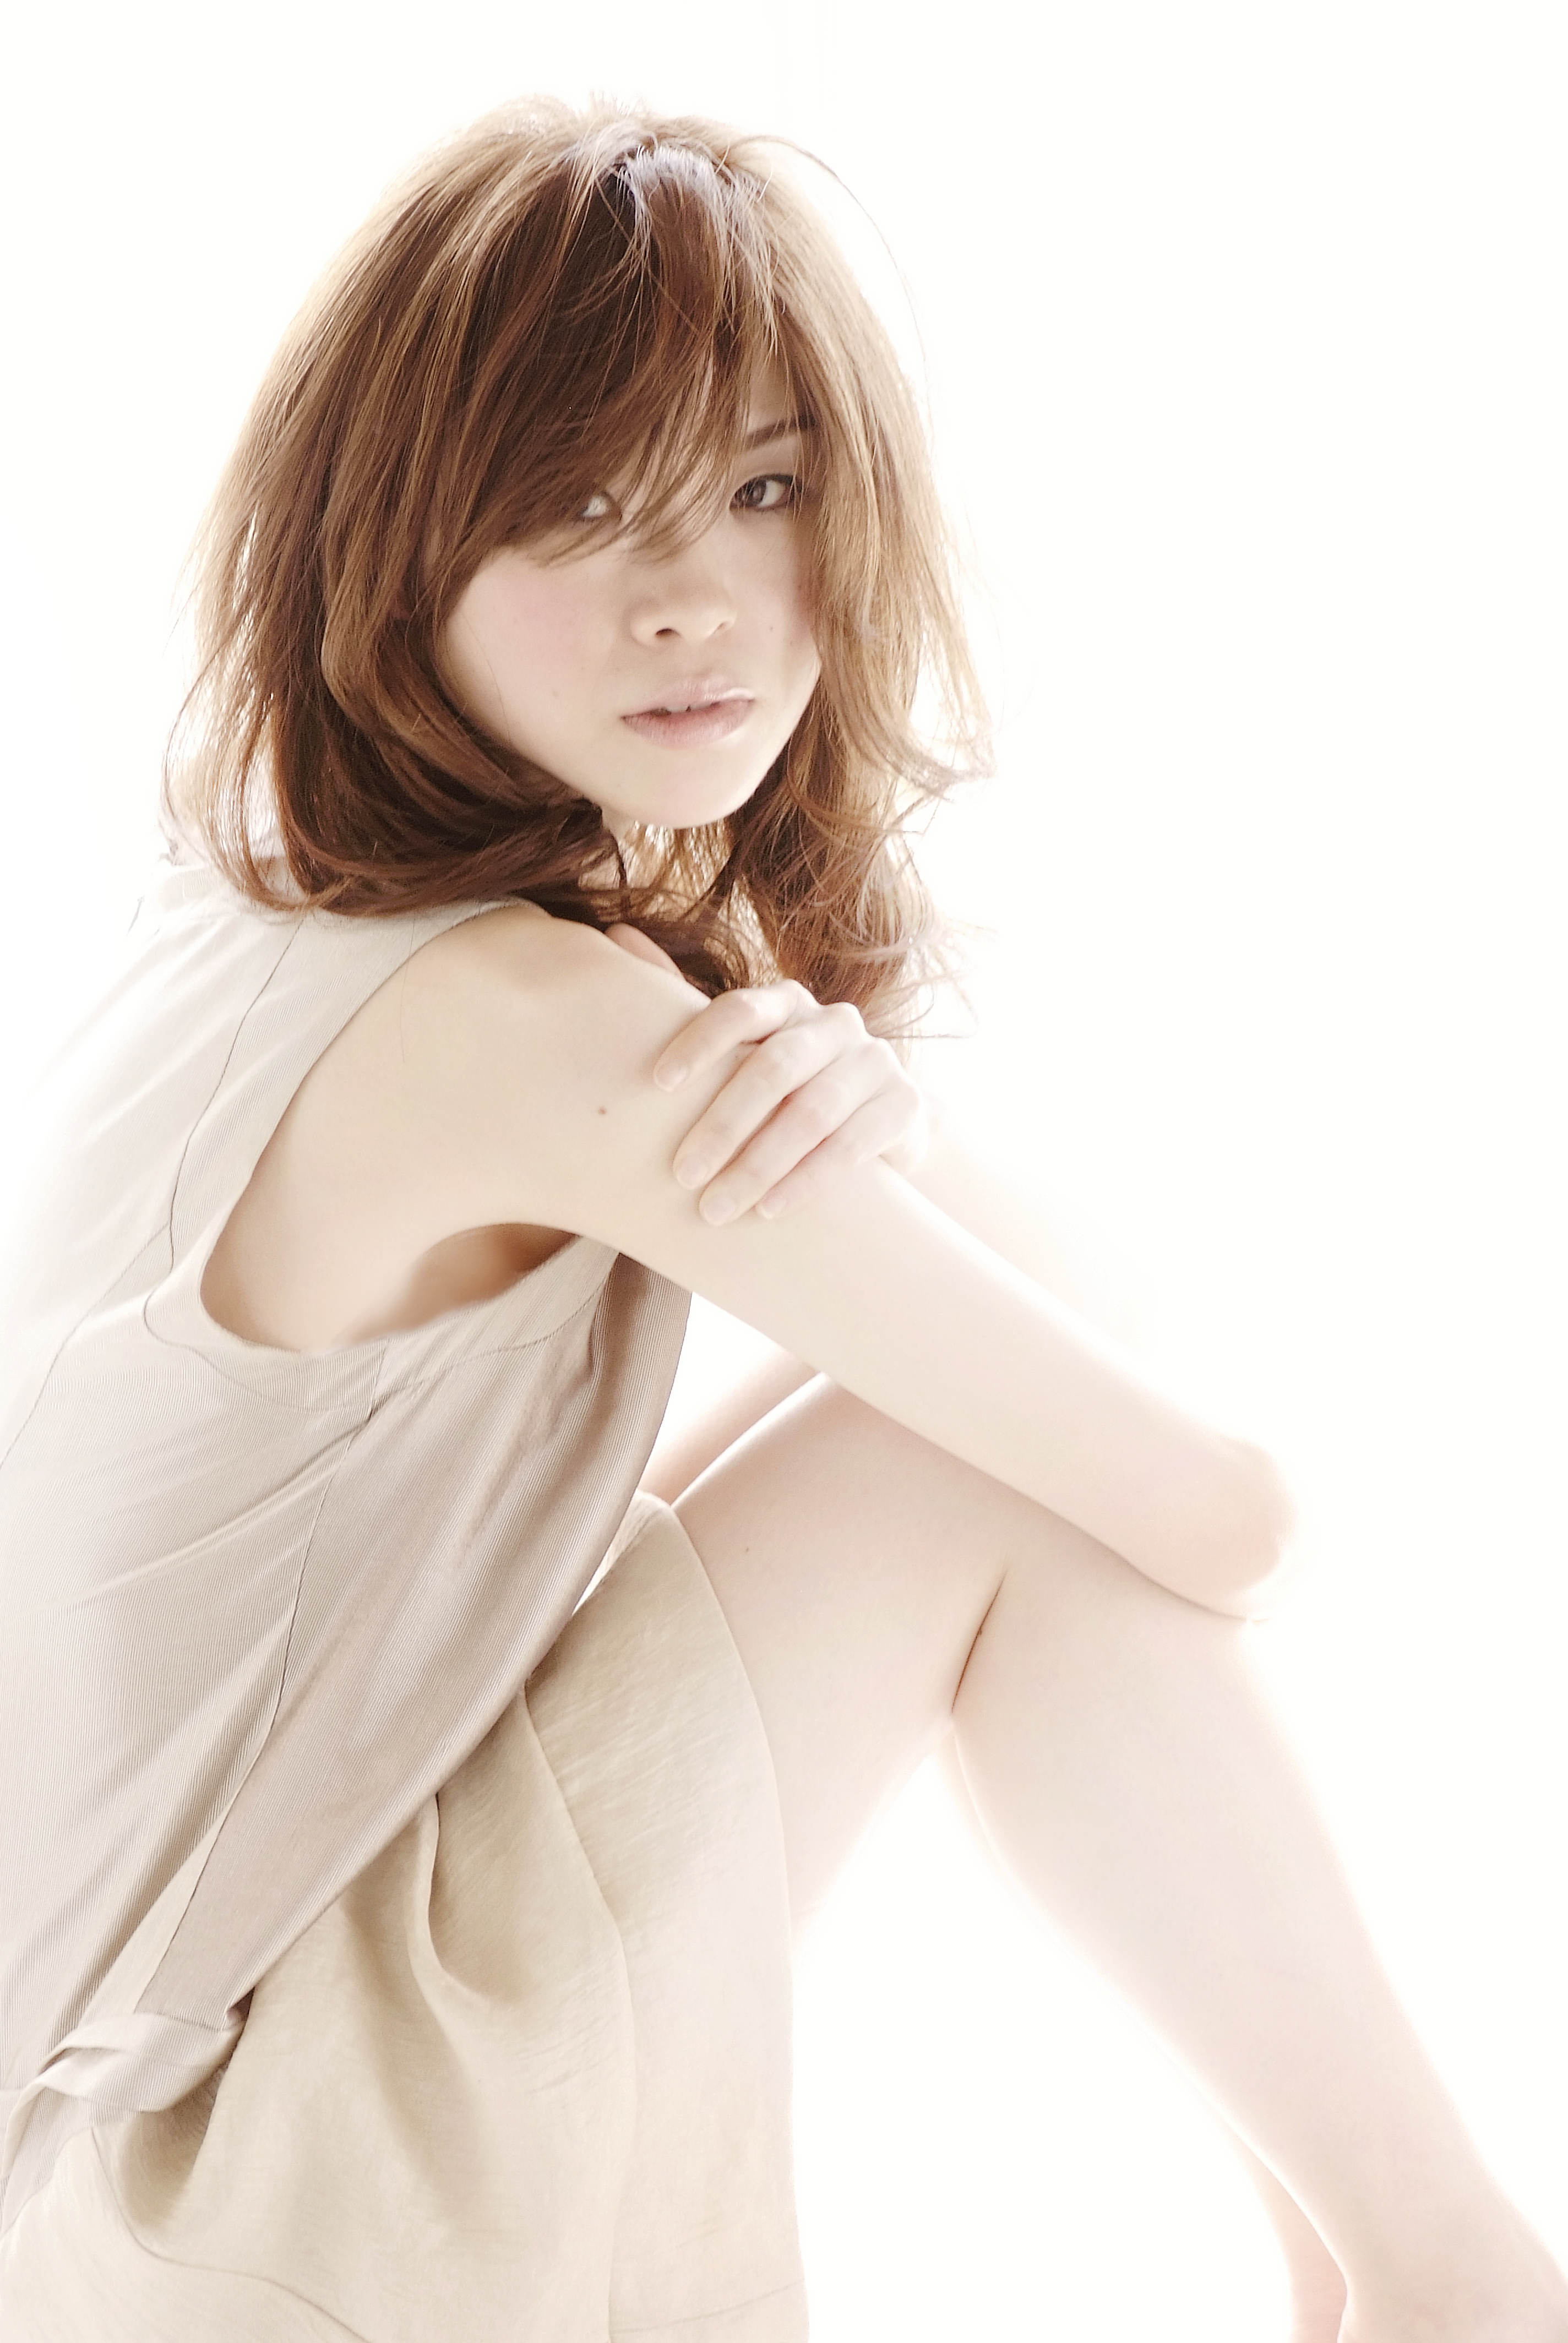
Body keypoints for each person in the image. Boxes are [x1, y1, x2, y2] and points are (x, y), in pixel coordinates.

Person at [0, 99, 1561, 2343]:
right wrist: (876, 1161)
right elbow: (1213, 1508)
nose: (696, 598)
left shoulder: (278, 886)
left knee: (949, 1454)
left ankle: (1383, 2274)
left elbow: (1081, 1333)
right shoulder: (527, 1020)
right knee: (978, 1469)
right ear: (393, 557)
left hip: (134, 2183)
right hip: (273, 2197)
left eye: (762, 487)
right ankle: (1448, 2280)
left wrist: (871, 1128)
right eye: (576, 506)